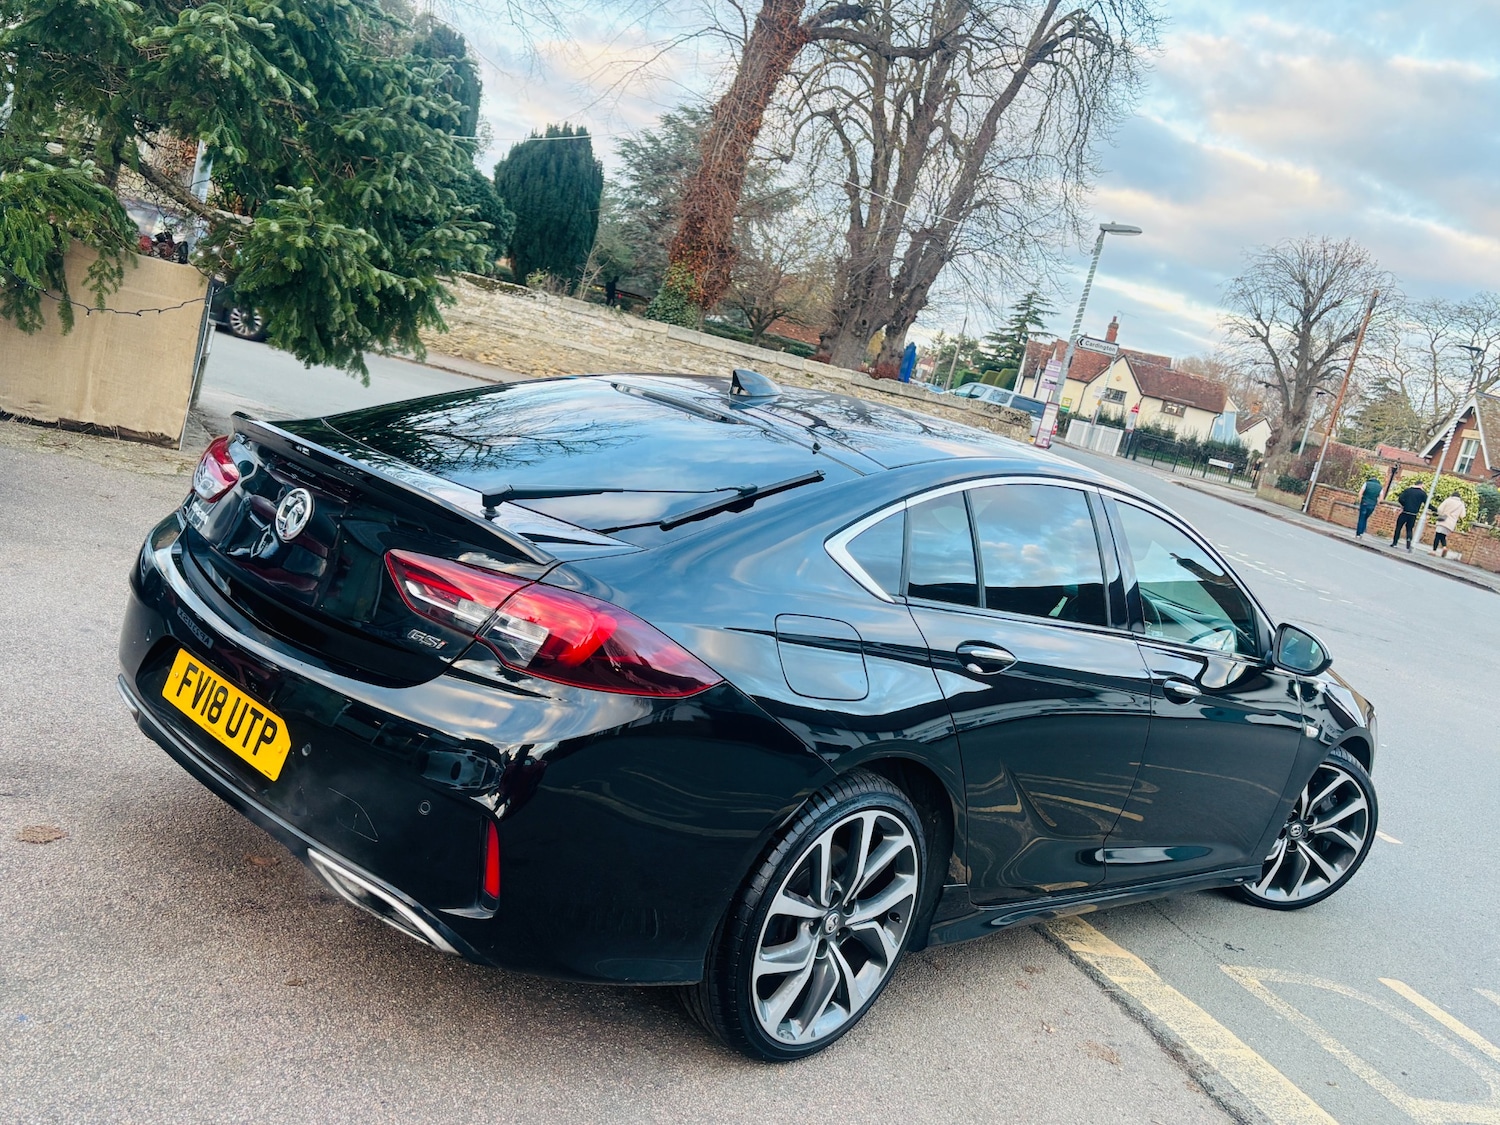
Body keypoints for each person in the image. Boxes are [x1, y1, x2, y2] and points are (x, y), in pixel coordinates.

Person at [1391, 480, 1428, 551]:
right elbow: (1427, 504)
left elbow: (1400, 499)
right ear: (1420, 485)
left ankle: (1395, 543)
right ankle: (1408, 541)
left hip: (1405, 512)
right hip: (1413, 514)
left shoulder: (1408, 490)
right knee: (1409, 529)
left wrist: (1404, 505)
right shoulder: (1422, 493)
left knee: (1398, 528)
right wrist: (1435, 510)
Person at [1434, 492, 1467, 557]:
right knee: (1443, 536)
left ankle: (1434, 551)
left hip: (1443, 520)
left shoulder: (1448, 500)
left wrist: (1442, 513)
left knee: (1437, 535)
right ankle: (1444, 547)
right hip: (1451, 523)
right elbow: (1463, 515)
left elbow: (1440, 509)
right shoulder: (1461, 504)